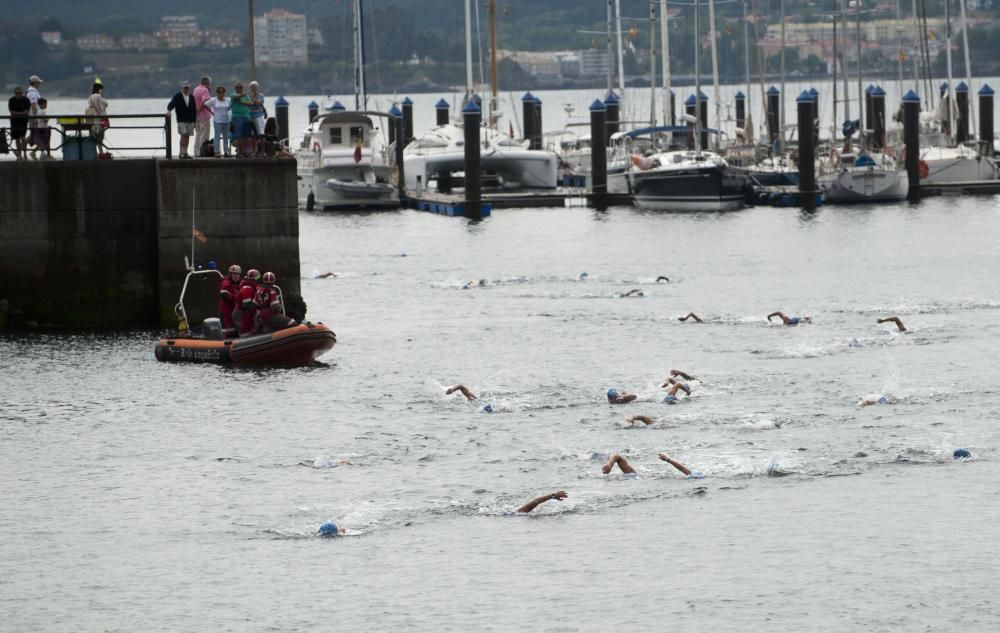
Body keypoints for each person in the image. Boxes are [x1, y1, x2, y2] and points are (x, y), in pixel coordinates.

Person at [167, 81, 197, 158]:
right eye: (185, 87)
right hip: (181, 120)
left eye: (187, 87)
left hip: (190, 120)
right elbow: (171, 104)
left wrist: (194, 121)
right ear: (182, 88)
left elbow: (194, 110)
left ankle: (186, 152)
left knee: (187, 136)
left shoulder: (191, 96)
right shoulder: (177, 96)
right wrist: (169, 111)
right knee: (183, 135)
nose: (186, 89)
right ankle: (181, 153)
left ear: (189, 88)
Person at [203, 86, 232, 157]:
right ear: (217, 93)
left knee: (226, 137)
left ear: (224, 93)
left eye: (222, 92)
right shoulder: (214, 100)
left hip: (226, 121)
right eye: (219, 92)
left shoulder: (227, 100)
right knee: (217, 136)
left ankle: (226, 152)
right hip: (217, 121)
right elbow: (205, 105)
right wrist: (212, 112)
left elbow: (230, 107)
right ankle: (216, 152)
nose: (221, 93)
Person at [234, 268, 261, 336]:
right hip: (244, 318)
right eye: (257, 279)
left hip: (245, 316)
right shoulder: (247, 289)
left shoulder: (250, 287)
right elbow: (247, 306)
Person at [229, 82, 253, 157]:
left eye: (240, 87)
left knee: (245, 135)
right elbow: (236, 97)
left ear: (243, 88)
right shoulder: (233, 95)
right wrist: (242, 96)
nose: (239, 88)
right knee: (238, 136)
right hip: (237, 117)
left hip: (247, 117)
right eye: (237, 87)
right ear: (235, 88)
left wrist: (242, 102)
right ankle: (239, 152)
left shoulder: (246, 96)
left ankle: (244, 151)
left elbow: (251, 103)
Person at [7, 86, 30, 159]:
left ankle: (25, 153)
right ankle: (20, 155)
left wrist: (17, 113)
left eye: (20, 93)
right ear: (15, 93)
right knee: (17, 139)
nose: (18, 94)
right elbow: (11, 111)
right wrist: (21, 113)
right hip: (14, 122)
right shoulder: (11, 100)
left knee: (23, 138)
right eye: (17, 93)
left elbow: (27, 111)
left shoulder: (26, 100)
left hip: (23, 121)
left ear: (22, 93)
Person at [86, 80, 109, 153]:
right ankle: (101, 153)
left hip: (92, 121)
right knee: (100, 138)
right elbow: (106, 104)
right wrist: (102, 96)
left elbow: (90, 106)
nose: (102, 91)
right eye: (101, 89)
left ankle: (94, 154)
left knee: (93, 138)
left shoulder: (90, 97)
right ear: (99, 89)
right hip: (100, 121)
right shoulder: (99, 96)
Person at [218, 264, 242, 333]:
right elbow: (225, 296)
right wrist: (238, 298)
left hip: (234, 311)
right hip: (226, 312)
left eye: (238, 274)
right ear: (230, 274)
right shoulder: (225, 284)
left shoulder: (240, 283)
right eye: (234, 274)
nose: (236, 276)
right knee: (227, 329)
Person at [193, 76, 212, 157]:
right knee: (204, 135)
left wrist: (196, 111)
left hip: (196, 116)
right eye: (209, 83)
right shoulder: (205, 90)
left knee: (198, 134)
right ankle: (202, 151)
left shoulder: (196, 89)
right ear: (207, 83)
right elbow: (204, 100)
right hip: (204, 115)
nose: (209, 85)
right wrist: (200, 109)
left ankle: (196, 151)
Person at [248, 81, 266, 156]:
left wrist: (253, 98)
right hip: (251, 116)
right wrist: (251, 98)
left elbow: (259, 102)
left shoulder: (261, 95)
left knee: (261, 134)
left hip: (259, 116)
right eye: (252, 87)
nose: (254, 89)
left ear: (257, 88)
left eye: (255, 87)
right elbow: (249, 104)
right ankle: (253, 151)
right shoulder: (248, 96)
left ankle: (263, 151)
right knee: (252, 135)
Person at [26, 75, 42, 158]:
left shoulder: (34, 91)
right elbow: (34, 105)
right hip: (34, 117)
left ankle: (34, 152)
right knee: (37, 135)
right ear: (35, 83)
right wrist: (37, 117)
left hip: (34, 117)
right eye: (38, 82)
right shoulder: (32, 92)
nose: (39, 84)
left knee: (37, 135)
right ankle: (21, 149)